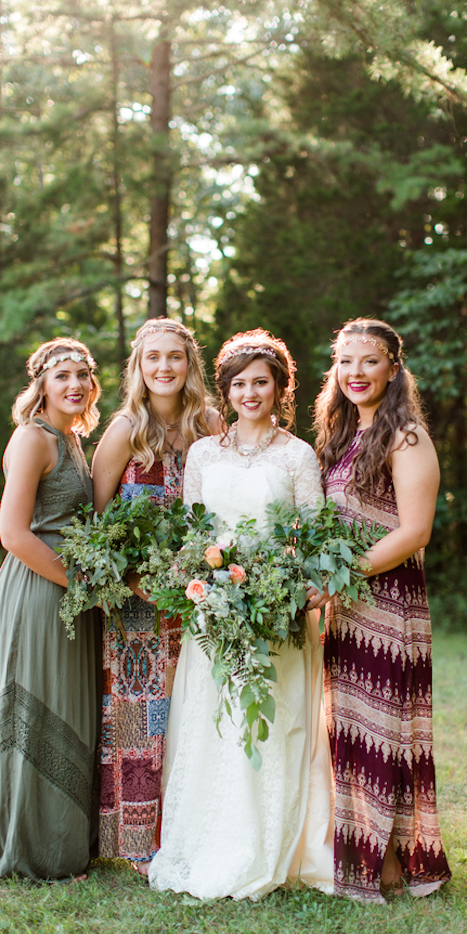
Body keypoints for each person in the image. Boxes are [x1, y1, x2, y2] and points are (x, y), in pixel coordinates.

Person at [149, 329, 334, 900]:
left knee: (273, 722)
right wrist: (203, 584)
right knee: (215, 723)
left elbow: (315, 535)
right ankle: (204, 840)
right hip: (215, 612)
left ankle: (268, 844)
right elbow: (193, 534)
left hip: (278, 615)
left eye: (262, 382)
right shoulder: (204, 453)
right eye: (239, 384)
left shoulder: (298, 455)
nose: (250, 393)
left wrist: (289, 589)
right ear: (225, 390)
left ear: (281, 388)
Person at [314, 317, 451, 903]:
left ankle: (393, 858)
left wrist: (340, 578)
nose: (355, 373)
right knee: (349, 728)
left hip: (388, 606)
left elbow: (415, 531)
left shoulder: (407, 436)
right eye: (345, 361)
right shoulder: (342, 437)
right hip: (345, 608)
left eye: (368, 361)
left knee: (386, 729)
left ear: (393, 367)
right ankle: (366, 852)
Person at [0, 338, 102, 882]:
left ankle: (64, 843)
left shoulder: (69, 439)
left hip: (69, 593)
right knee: (35, 708)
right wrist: (79, 584)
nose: (74, 384)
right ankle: (24, 846)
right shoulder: (32, 439)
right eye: (62, 375)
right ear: (41, 384)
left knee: (68, 708)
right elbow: (12, 532)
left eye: (83, 375)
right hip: (40, 589)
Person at [91, 317, 220, 876]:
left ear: (189, 364)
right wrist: (133, 579)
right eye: (153, 358)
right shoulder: (124, 430)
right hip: (138, 606)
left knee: (194, 713)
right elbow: (95, 524)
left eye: (175, 357)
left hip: (198, 600)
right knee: (140, 715)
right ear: (139, 368)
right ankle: (140, 841)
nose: (164, 367)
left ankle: (196, 828)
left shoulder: (210, 425)